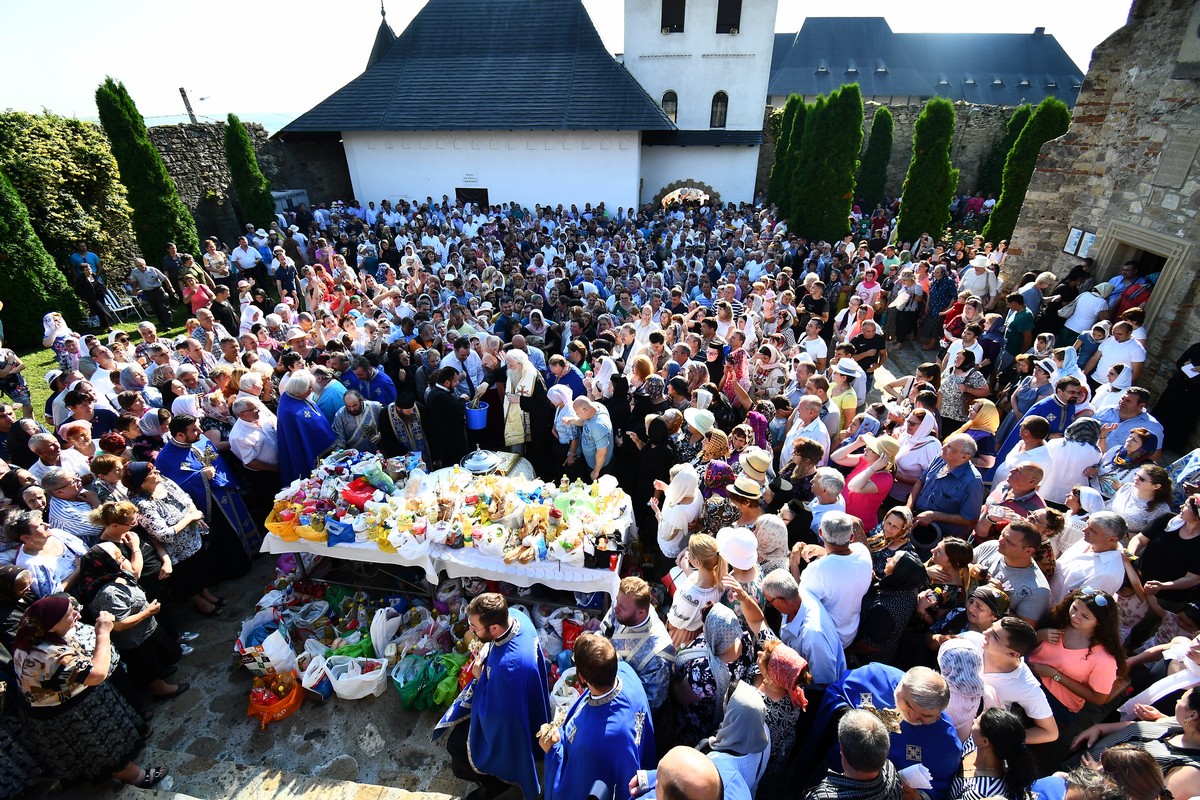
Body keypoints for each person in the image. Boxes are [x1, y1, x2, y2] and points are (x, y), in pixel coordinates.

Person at [12, 596, 168, 787]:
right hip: (70, 714)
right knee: (104, 746)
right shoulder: (50, 655)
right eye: (69, 614)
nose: (77, 615)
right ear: (51, 626)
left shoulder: (31, 638)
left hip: (66, 703)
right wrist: (103, 633)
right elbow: (97, 674)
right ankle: (135, 776)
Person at [440, 593, 550, 800]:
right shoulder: (517, 616)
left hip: (509, 721)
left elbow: (492, 713)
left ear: (494, 628)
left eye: (475, 627)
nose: (471, 630)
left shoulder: (506, 668)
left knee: (456, 744)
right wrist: (485, 652)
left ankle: (497, 788)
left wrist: (480, 677)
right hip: (527, 699)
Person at [811, 666, 959, 800]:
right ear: (901, 686)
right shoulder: (874, 676)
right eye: (908, 705)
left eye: (926, 716)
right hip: (830, 770)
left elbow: (939, 787)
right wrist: (851, 718)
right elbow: (835, 694)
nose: (913, 717)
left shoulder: (945, 742)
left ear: (940, 711)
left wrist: (918, 797)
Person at [540, 634, 655, 800]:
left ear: (582, 678)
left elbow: (572, 788)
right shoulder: (627, 673)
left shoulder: (590, 741)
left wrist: (552, 748)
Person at [76, 542, 187, 701]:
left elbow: (135, 574)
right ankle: (161, 690)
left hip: (145, 629)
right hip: (133, 640)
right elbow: (119, 625)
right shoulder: (106, 592)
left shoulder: (114, 574)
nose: (122, 559)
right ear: (103, 563)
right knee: (147, 663)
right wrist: (147, 612)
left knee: (157, 657)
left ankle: (161, 673)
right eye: (117, 557)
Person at [155, 414, 257, 579]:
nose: (201, 432)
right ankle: (239, 568)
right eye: (194, 430)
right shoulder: (165, 459)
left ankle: (252, 551)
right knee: (225, 535)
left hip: (224, 488)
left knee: (240, 519)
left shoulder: (199, 440)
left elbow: (218, 462)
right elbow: (175, 489)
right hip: (208, 501)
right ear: (180, 434)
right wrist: (202, 476)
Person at [122, 461, 223, 616]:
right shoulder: (142, 504)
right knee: (188, 579)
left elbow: (185, 497)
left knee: (200, 570)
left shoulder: (164, 481)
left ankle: (206, 594)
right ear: (141, 482)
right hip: (176, 550)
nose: (157, 472)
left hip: (193, 539)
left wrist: (194, 514)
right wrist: (190, 519)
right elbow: (163, 534)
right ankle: (200, 603)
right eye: (152, 473)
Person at [1071, 686, 1200, 800]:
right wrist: (1099, 728)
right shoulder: (1180, 724)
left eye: (1182, 699)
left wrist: (1097, 777)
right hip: (1076, 770)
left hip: (1084, 792)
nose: (1177, 701)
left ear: (1192, 715)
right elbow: (1139, 728)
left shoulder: (1191, 773)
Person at [980, 617, 1060, 745]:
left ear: (1013, 654)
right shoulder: (972, 639)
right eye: (991, 627)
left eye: (995, 636)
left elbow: (1050, 733)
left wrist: (1000, 738)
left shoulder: (1027, 686)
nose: (985, 633)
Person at [799, 512, 873, 649]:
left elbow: (799, 600)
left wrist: (793, 561)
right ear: (851, 537)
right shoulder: (863, 552)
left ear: (821, 533)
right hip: (851, 633)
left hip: (826, 640)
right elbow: (840, 556)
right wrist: (821, 551)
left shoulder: (817, 569)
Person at [762, 568, 846, 685]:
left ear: (782, 602)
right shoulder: (797, 597)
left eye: (769, 602)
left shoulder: (813, 638)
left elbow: (823, 682)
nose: (770, 605)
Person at [609, 576, 676, 712]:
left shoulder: (659, 656)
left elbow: (649, 704)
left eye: (622, 607)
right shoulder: (624, 607)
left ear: (641, 613)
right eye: (616, 601)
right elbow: (606, 630)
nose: (615, 608)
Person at [907, 434, 985, 545]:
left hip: (938, 539)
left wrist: (935, 516)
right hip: (915, 523)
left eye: (950, 448)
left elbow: (970, 519)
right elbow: (921, 481)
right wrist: (908, 508)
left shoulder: (972, 482)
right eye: (946, 444)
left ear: (964, 457)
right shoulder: (940, 459)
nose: (943, 448)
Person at [973, 522, 1052, 627]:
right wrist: (970, 569)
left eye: (1009, 541)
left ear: (1028, 551)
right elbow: (957, 564)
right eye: (1002, 535)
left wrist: (999, 600)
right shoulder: (991, 546)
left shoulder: (1038, 590)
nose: (1000, 541)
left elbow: (1024, 629)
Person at [951, 708, 1037, 800]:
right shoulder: (973, 743)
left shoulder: (984, 793)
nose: (974, 720)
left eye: (977, 723)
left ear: (985, 742)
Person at [275, 369, 336, 485]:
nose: (312, 389)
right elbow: (302, 436)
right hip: (310, 450)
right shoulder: (291, 413)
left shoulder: (295, 396)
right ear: (299, 390)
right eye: (309, 388)